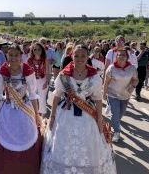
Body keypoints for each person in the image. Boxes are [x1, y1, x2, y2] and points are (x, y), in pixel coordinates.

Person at [41, 44, 116, 174]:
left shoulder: (94, 76)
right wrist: (52, 116)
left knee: (88, 147)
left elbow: (98, 99)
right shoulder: (64, 75)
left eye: (83, 56)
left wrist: (99, 118)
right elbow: (57, 96)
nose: (79, 58)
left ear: (88, 57)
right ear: (72, 56)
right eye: (76, 55)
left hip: (88, 116)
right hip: (66, 114)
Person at [0, 44, 41, 174]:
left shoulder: (28, 71)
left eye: (16, 55)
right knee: (2, 135)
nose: (13, 58)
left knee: (27, 135)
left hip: (25, 108)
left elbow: (32, 95)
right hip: (7, 108)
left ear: (21, 56)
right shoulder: (2, 72)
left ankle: (24, 167)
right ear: (7, 56)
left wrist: (36, 114)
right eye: (11, 55)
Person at [103, 49, 138, 142]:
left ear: (127, 57)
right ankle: (116, 132)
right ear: (116, 57)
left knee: (120, 114)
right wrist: (104, 94)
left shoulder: (132, 68)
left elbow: (135, 79)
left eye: (124, 55)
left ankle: (114, 122)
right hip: (113, 94)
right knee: (116, 114)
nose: (122, 57)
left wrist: (133, 86)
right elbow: (106, 82)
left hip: (125, 95)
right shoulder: (111, 68)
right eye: (119, 55)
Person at [27, 43, 50, 116]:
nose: (37, 51)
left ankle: (41, 117)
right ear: (32, 51)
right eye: (35, 49)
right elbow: (27, 72)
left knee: (42, 99)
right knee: (32, 98)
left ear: (42, 50)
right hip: (32, 81)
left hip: (42, 80)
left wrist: (46, 82)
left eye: (39, 49)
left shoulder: (45, 60)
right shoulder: (29, 60)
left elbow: (48, 71)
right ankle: (33, 115)